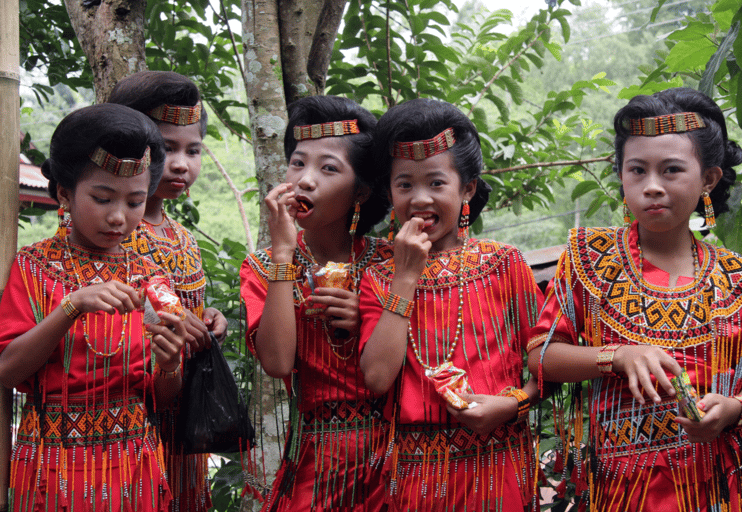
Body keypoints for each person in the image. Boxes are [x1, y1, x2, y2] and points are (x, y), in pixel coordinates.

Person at [528, 87, 742, 510]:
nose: (652, 186)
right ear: (621, 175)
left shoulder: (740, 278)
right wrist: (617, 356)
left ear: (709, 179)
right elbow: (542, 356)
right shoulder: (589, 258)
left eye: (671, 170)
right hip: (621, 489)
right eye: (637, 170)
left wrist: (733, 408)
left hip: (720, 485)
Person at [0, 104, 188, 511]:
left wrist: (171, 364)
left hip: (135, 466)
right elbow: (8, 370)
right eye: (102, 198)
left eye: (136, 202)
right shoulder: (33, 267)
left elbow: (163, 397)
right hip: (54, 467)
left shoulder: (150, 277)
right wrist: (71, 306)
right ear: (65, 193)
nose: (118, 217)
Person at [358, 98, 543, 511]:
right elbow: (376, 377)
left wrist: (514, 404)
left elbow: (549, 363)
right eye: (404, 184)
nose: (420, 199)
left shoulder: (505, 264)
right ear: (389, 192)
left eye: (437, 183)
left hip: (501, 467)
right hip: (416, 477)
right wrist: (405, 276)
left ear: (468, 189)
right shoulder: (379, 276)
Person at [239, 95, 391, 510]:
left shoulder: (393, 263)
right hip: (316, 455)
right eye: (297, 163)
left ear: (361, 191)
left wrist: (372, 322)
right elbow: (277, 362)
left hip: (397, 453)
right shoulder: (262, 267)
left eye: (328, 169)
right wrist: (284, 255)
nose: (305, 180)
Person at [107, 70, 227, 512]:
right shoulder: (109, 233)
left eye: (192, 150)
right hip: (127, 418)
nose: (181, 164)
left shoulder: (182, 237)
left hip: (183, 422)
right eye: (166, 148)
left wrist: (209, 320)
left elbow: (185, 305)